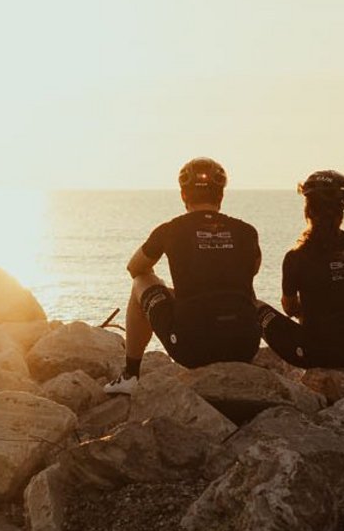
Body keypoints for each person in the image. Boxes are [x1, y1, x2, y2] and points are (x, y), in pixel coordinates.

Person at [107, 157, 263, 391]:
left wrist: (166, 292)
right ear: (221, 195)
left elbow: (134, 268)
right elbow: (252, 270)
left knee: (142, 282)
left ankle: (130, 375)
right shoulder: (247, 232)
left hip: (192, 347)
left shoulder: (169, 230)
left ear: (183, 195)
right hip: (244, 346)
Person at [259, 170, 344, 370]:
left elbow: (289, 308)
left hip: (319, 354)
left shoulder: (296, 258)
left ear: (308, 211)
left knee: (255, 309)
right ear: (341, 212)